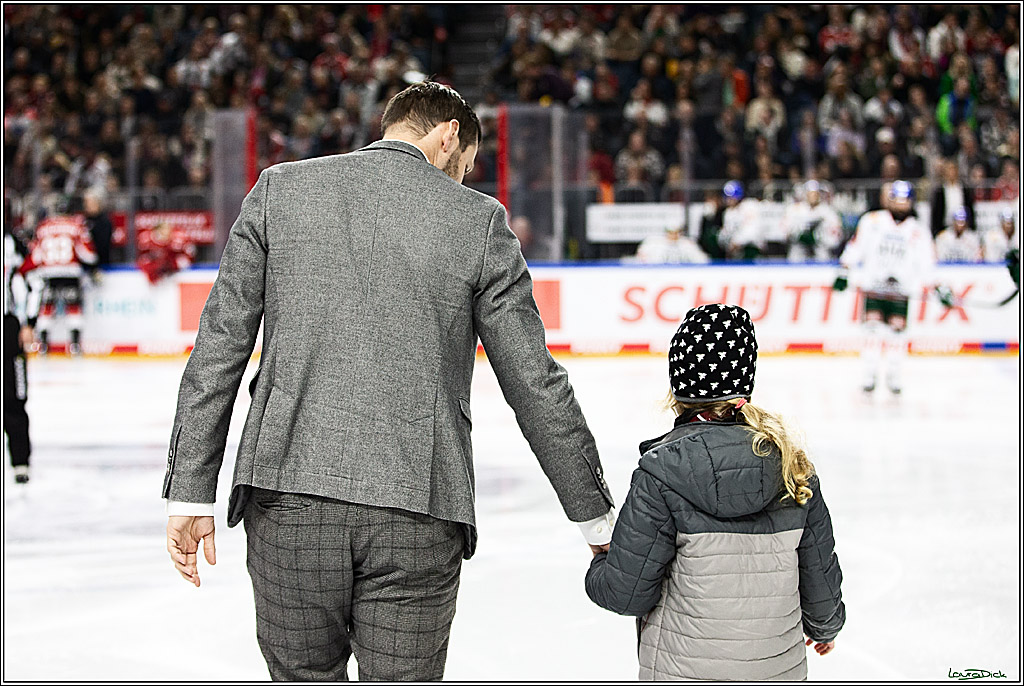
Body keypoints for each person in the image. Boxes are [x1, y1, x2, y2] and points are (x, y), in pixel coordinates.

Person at [162, 81, 615, 681]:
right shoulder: (477, 222)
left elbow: (218, 347)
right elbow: (535, 382)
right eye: (468, 167)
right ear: (448, 134)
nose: (463, 180)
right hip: (419, 511)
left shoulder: (280, 191)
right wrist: (596, 518)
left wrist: (190, 490)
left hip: (288, 501)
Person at [585, 304, 845, 680]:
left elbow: (626, 593)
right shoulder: (792, 467)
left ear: (679, 383)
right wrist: (824, 630)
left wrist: (600, 563)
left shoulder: (660, 473)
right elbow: (822, 591)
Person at [833, 181, 942, 394]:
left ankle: (894, 375)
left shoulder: (918, 230)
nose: (900, 205)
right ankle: (869, 374)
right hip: (874, 287)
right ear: (889, 200)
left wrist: (937, 286)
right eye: (897, 200)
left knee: (897, 334)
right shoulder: (872, 221)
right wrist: (844, 271)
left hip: (900, 291)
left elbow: (927, 263)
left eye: (905, 201)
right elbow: (856, 248)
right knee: (871, 332)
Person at [18, 211, 97, 356]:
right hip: (70, 272)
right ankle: (74, 345)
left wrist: (24, 269)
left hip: (48, 273)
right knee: (74, 309)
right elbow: (88, 254)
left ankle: (43, 346)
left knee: (46, 310)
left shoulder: (43, 227)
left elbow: (36, 255)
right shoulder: (76, 225)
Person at [4, 222, 36, 484]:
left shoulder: (11, 243)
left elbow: (31, 281)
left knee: (14, 397)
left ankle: (20, 462)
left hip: (8, 325)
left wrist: (28, 322)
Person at [785, 180, 845, 263]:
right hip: (799, 249)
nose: (813, 196)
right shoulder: (795, 210)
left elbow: (837, 236)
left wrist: (820, 237)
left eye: (815, 193)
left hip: (821, 248)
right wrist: (799, 234)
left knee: (823, 257)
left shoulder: (828, 211)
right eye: (810, 193)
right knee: (795, 256)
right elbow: (785, 231)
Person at [717, 180, 762, 260]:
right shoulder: (728, 213)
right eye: (727, 197)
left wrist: (737, 242)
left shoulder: (749, 206)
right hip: (735, 250)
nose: (729, 200)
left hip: (750, 247)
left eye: (731, 197)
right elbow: (727, 231)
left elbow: (752, 230)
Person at [633, 224, 709, 264]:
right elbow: (641, 259)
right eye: (671, 232)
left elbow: (703, 260)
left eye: (676, 232)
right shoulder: (654, 243)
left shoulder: (687, 244)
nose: (673, 235)